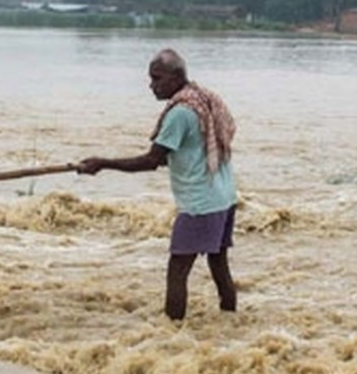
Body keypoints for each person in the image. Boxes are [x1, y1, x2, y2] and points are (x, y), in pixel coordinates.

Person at [77, 49, 238, 320]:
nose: (152, 85)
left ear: (176, 78)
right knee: (219, 265)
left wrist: (102, 163)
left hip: (200, 204)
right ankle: (231, 321)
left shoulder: (181, 113)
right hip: (224, 197)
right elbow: (187, 149)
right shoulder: (204, 98)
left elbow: (152, 160)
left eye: (157, 79)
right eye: (151, 79)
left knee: (177, 271)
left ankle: (171, 334)